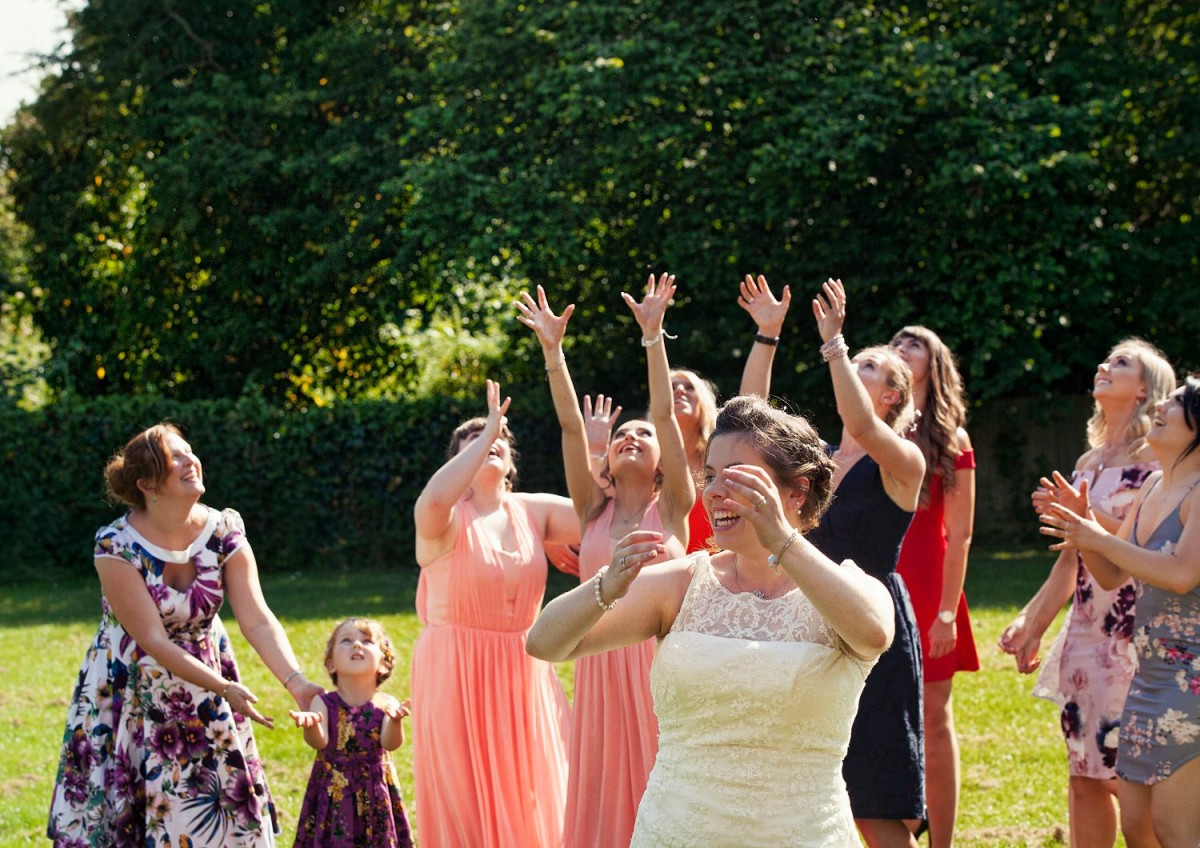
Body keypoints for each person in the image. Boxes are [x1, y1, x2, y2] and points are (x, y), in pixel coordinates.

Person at [526, 394, 894, 846]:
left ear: (796, 492)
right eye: (711, 475)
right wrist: (606, 585)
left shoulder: (850, 589)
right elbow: (544, 643)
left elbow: (873, 634)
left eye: (735, 477)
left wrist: (780, 538)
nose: (715, 491)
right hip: (676, 831)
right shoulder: (680, 585)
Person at [48, 423, 321, 848]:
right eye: (174, 457)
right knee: (136, 816)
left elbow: (257, 619)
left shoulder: (224, 530)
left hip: (206, 679)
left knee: (219, 810)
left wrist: (297, 682)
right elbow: (153, 641)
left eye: (189, 451)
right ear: (147, 483)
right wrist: (224, 687)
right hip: (133, 687)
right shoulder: (115, 546)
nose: (190, 461)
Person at [517, 275, 693, 848]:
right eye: (621, 436)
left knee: (658, 784)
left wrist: (652, 336)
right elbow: (571, 426)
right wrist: (552, 351)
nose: (631, 436)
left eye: (643, 434)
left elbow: (666, 413)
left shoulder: (674, 507)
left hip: (658, 663)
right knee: (601, 784)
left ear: (666, 460)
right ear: (607, 462)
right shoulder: (591, 507)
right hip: (597, 666)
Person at [999, 339, 1176, 847]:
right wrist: (1032, 622)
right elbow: (1071, 558)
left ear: (1146, 388)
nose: (1104, 366)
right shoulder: (1087, 460)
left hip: (1134, 631)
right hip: (1085, 635)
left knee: (1127, 776)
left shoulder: (1158, 462)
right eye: (1107, 360)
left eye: (1121, 363)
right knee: (1084, 776)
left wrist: (1080, 515)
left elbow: (1135, 541)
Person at [411, 379, 579, 848]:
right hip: (455, 668)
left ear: (510, 464)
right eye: (475, 439)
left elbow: (600, 515)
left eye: (497, 440)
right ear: (456, 462)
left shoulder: (533, 511)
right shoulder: (444, 518)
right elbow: (434, 498)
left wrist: (597, 452)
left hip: (524, 668)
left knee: (531, 783)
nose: (489, 442)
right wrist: (486, 433)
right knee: (462, 788)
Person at [1040, 373, 1200, 848]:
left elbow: (1180, 574)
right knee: (1138, 829)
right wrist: (1080, 525)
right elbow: (1111, 574)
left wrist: (1096, 535)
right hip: (1146, 679)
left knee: (1177, 830)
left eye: (1175, 402)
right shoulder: (1153, 485)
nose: (1161, 406)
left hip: (1191, 683)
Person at [805, 279, 927, 848]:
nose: (856, 366)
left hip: (872, 623)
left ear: (892, 398)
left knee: (873, 798)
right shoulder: (820, 461)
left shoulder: (904, 461)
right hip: (812, 621)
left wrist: (835, 343)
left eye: (870, 366)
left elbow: (860, 427)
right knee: (816, 786)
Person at [889, 325, 980, 847]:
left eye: (914, 343)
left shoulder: (953, 438)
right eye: (896, 342)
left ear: (936, 362)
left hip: (930, 585)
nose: (902, 348)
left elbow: (962, 532)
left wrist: (947, 612)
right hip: (877, 578)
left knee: (934, 715)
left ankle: (941, 842)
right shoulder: (872, 426)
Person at [291, 617, 413, 848]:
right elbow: (320, 742)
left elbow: (390, 743)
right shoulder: (323, 702)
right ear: (331, 665)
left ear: (384, 664)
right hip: (333, 792)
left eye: (367, 641)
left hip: (375, 792)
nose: (357, 645)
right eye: (347, 640)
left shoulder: (387, 703)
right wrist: (311, 725)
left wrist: (396, 721)